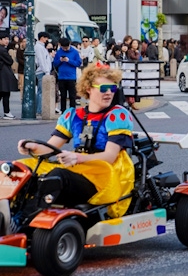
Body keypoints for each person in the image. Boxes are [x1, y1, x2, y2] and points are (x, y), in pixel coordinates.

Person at [16, 62, 135, 218]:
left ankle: (23, 220)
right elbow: (50, 147)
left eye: (112, 88)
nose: (109, 93)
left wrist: (78, 157)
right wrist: (31, 147)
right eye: (103, 89)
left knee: (58, 175)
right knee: (20, 168)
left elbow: (110, 156)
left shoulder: (117, 115)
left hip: (104, 174)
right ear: (88, 89)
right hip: (78, 167)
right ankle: (11, 212)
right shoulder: (73, 115)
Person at [53, 37, 82, 113]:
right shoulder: (59, 52)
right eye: (63, 48)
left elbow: (78, 63)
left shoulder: (75, 52)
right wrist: (60, 60)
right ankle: (63, 111)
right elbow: (55, 64)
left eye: (66, 48)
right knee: (63, 96)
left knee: (72, 96)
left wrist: (69, 61)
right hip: (61, 77)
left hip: (71, 77)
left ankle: (72, 111)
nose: (65, 49)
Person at [0, 35, 20, 119]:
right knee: (5, 94)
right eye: (4, 39)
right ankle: (7, 112)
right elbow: (10, 61)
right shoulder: (2, 50)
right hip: (3, 75)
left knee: (3, 94)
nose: (7, 41)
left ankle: (7, 112)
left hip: (2, 75)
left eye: (7, 39)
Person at [35, 32, 54, 116]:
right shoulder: (39, 47)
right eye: (46, 38)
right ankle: (39, 109)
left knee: (41, 91)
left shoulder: (42, 47)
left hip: (44, 71)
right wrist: (46, 71)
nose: (47, 40)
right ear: (42, 38)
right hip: (42, 71)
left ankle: (40, 108)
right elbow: (41, 60)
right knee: (41, 91)